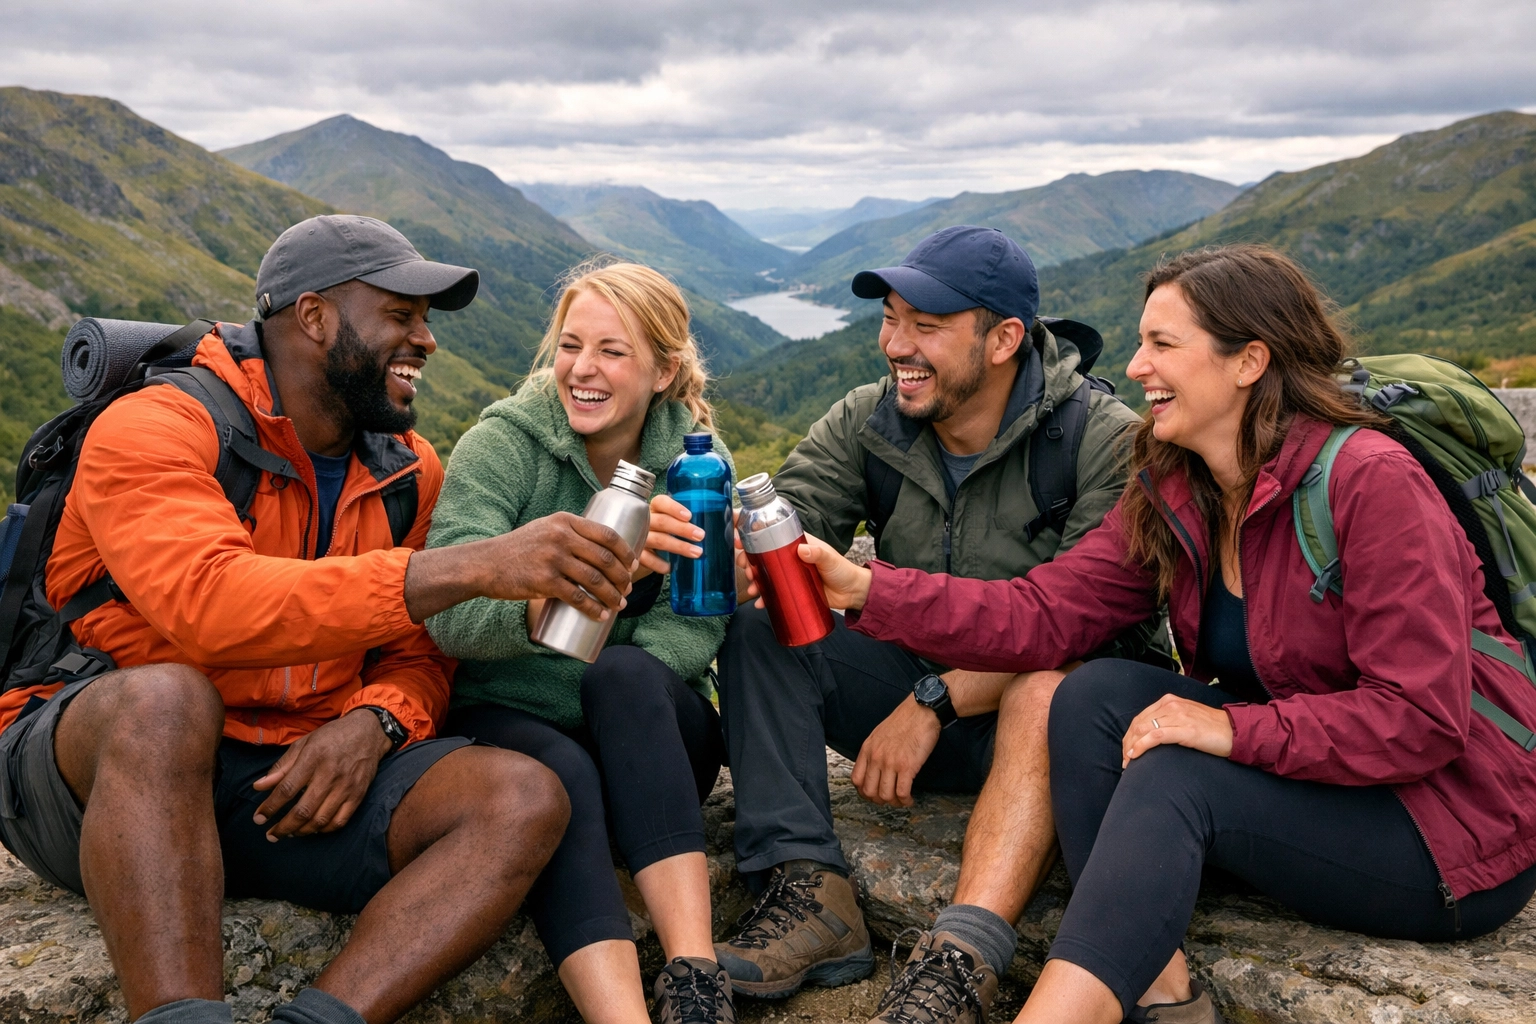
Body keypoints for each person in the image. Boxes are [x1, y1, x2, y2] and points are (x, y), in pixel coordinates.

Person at [778, 244, 1536, 1024]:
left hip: (1448, 833)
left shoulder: (1371, 482)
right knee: (1093, 695)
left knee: (1179, 772)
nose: (1136, 367)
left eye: (1162, 345)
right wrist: (871, 589)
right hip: (1321, 782)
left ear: (1249, 361)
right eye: (1142, 343)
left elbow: (1421, 719)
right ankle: (1162, 986)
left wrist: (1228, 728)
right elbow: (1044, 616)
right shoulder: (1181, 484)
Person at [0, 215, 645, 1024]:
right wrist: (472, 565)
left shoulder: (408, 470)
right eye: (402, 317)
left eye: (427, 321)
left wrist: (376, 723)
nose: (426, 341)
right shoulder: (155, 428)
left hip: (286, 778)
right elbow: (210, 605)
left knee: (522, 798)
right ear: (314, 318)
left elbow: (419, 650)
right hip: (106, 779)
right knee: (166, 701)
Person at [713, 225, 1164, 1021]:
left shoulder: (1103, 441)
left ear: (1004, 339)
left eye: (926, 325)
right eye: (890, 319)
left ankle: (961, 958)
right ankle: (811, 895)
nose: (896, 345)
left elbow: (1078, 626)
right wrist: (729, 541)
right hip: (900, 698)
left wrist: (933, 700)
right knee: (765, 620)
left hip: (1039, 728)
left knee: (1056, 686)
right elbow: (792, 519)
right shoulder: (869, 422)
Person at [425, 260, 736, 1024]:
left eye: (612, 351)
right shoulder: (503, 447)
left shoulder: (697, 467)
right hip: (511, 719)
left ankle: (697, 981)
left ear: (665, 369)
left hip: (645, 738)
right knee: (560, 777)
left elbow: (698, 625)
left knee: (625, 677)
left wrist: (616, 714)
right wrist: (571, 589)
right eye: (570, 346)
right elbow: (447, 614)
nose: (582, 370)